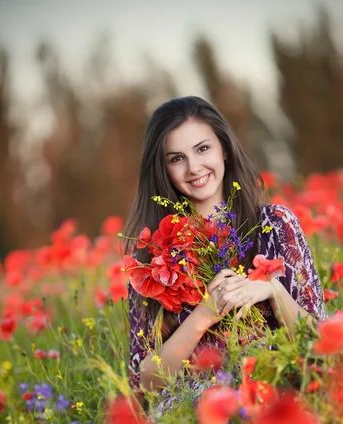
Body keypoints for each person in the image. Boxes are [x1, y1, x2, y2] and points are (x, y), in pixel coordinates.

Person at [124, 96, 326, 404]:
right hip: (196, 418)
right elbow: (145, 383)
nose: (194, 168)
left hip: (283, 398)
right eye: (176, 158)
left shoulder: (276, 225)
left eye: (203, 148)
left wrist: (271, 289)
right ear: (162, 169)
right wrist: (204, 315)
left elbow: (321, 339)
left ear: (225, 150)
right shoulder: (152, 260)